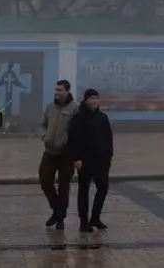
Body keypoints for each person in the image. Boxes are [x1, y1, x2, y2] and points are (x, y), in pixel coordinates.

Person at [67, 87, 114, 233]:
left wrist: (108, 156)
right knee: (84, 190)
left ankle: (95, 218)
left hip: (101, 160)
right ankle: (84, 222)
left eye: (96, 98)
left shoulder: (103, 118)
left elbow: (108, 139)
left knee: (103, 187)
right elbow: (74, 140)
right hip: (85, 161)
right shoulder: (79, 118)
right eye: (91, 98)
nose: (94, 101)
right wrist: (76, 158)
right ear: (85, 100)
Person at [39, 79, 77, 230]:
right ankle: (57, 210)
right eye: (56, 89)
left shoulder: (75, 109)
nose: (57, 92)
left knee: (63, 186)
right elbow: (43, 124)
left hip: (66, 154)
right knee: (45, 180)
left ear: (67, 91)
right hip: (50, 151)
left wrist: (71, 148)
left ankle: (60, 218)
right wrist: (45, 136)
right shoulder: (50, 107)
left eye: (60, 90)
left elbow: (77, 131)